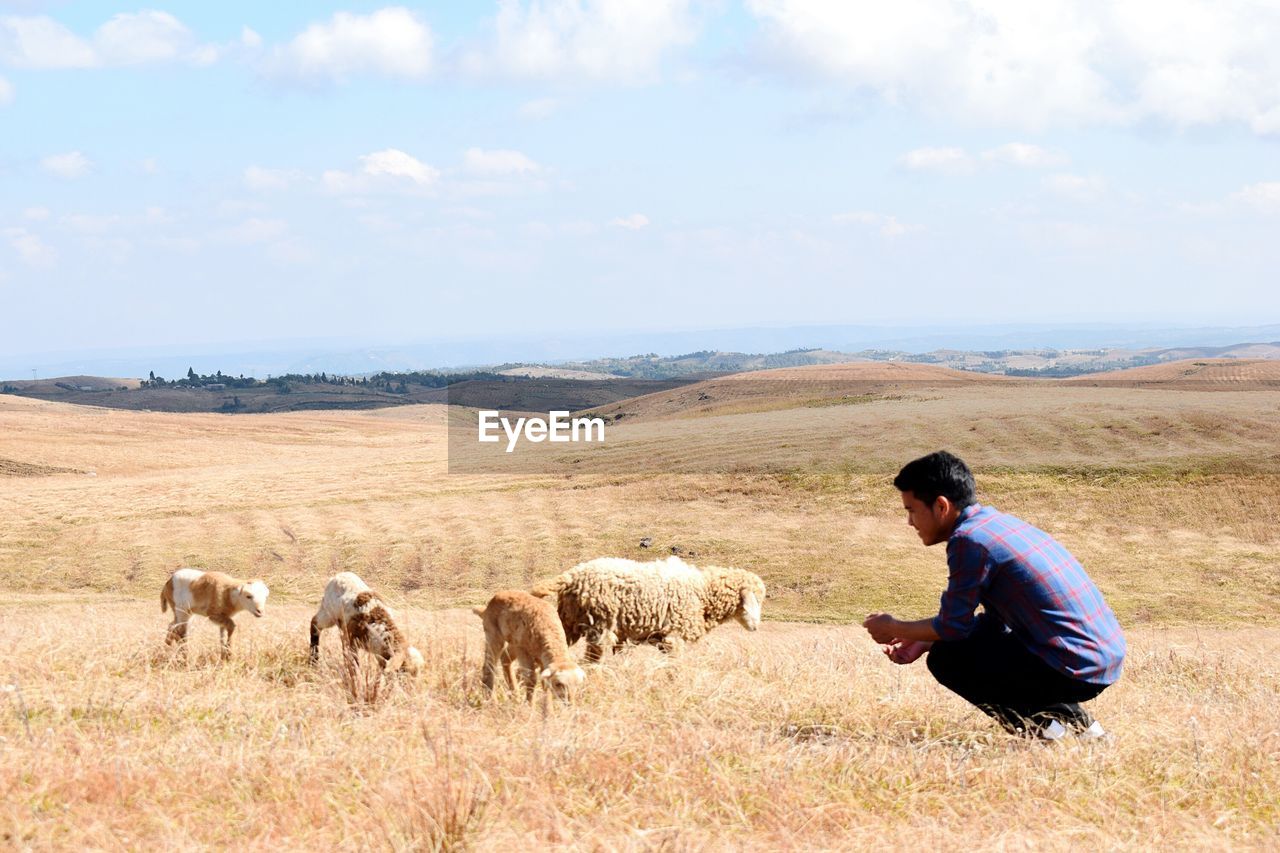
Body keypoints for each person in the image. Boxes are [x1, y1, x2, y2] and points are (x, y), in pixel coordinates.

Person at [862, 451, 1125, 740]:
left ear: (940, 506)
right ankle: (1088, 734)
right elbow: (991, 625)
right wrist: (925, 638)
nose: (910, 522)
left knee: (948, 659)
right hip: (1099, 658)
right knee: (974, 647)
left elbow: (952, 627)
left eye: (911, 510)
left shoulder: (969, 541)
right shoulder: (996, 525)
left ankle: (1048, 736)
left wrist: (892, 627)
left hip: (1075, 668)